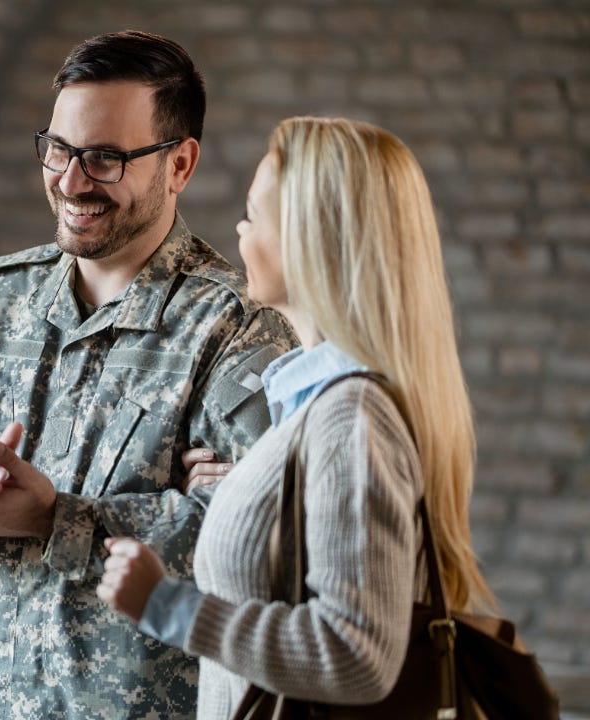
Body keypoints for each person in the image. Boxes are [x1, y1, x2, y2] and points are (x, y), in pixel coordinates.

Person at [0, 31, 296, 718]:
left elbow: (266, 542)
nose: (70, 182)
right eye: (59, 150)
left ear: (179, 164)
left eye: (104, 158)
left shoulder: (236, 328)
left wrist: (56, 520)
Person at [97, 116, 497, 719]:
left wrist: (168, 606)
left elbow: (356, 654)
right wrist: (250, 493)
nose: (237, 229)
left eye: (254, 215)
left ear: (311, 238)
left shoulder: (352, 417)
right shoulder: (319, 407)